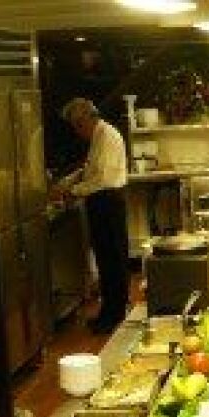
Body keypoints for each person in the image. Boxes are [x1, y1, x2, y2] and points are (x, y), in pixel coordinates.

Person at [53, 98, 130, 334]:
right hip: (101, 202)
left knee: (113, 261)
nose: (77, 132)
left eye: (77, 126)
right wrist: (69, 182)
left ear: (86, 119)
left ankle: (114, 316)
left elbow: (103, 179)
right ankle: (110, 313)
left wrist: (73, 192)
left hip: (108, 201)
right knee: (107, 261)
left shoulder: (107, 135)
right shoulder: (98, 135)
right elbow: (90, 169)